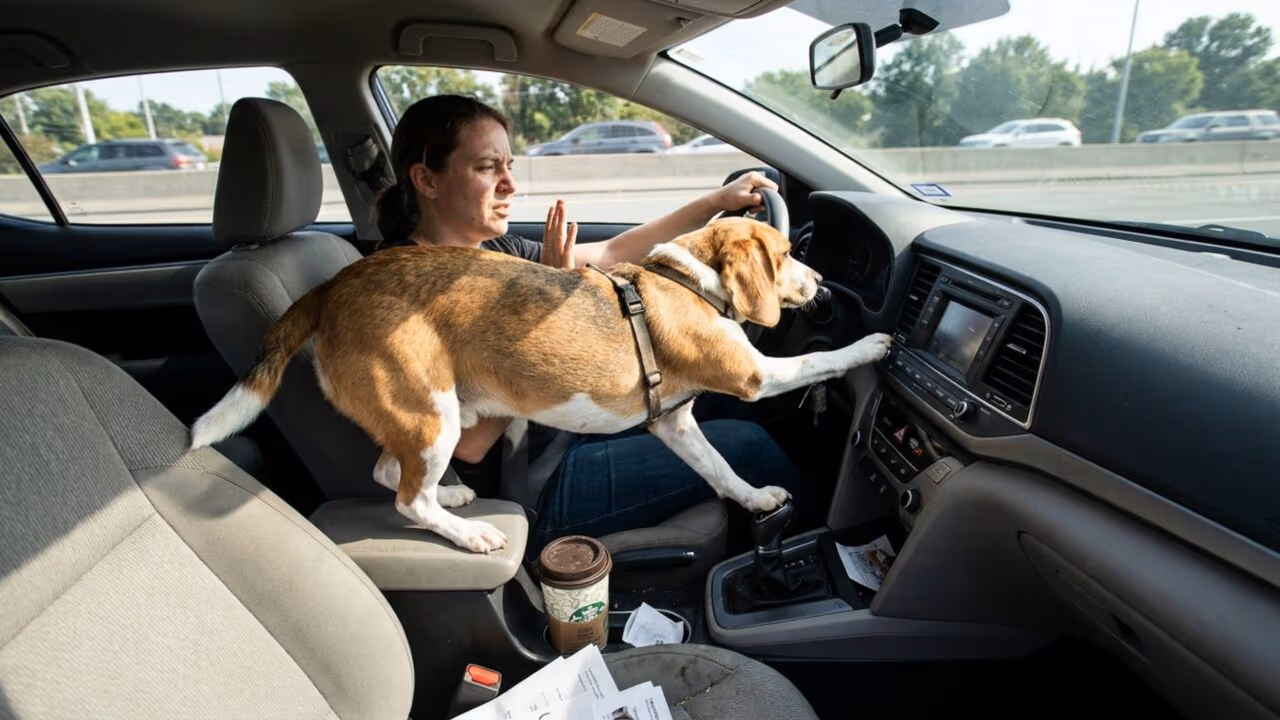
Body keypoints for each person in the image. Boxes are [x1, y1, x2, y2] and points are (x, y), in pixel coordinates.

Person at [372, 94, 818, 559]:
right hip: (528, 482)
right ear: (426, 179)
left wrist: (715, 203)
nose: (510, 185)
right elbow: (468, 446)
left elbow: (613, 253)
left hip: (568, 425)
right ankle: (817, 570)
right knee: (750, 446)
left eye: (509, 166)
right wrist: (543, 318)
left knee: (732, 409)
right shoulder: (400, 295)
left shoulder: (497, 252)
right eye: (488, 168)